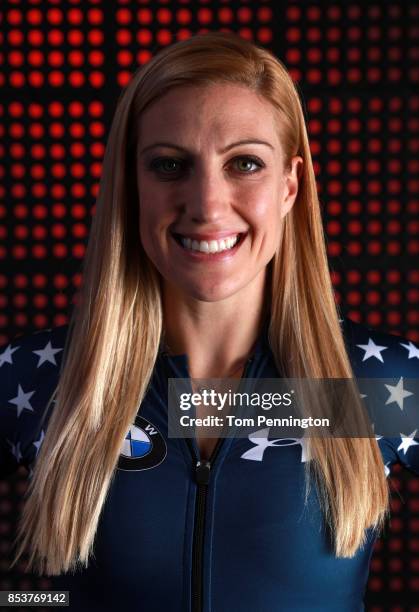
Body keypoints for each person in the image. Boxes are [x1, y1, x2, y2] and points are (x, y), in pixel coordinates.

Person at [1, 31, 418, 612]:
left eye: (244, 163)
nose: (208, 204)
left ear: (289, 185)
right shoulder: (37, 378)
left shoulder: (380, 386)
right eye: (170, 165)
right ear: (131, 185)